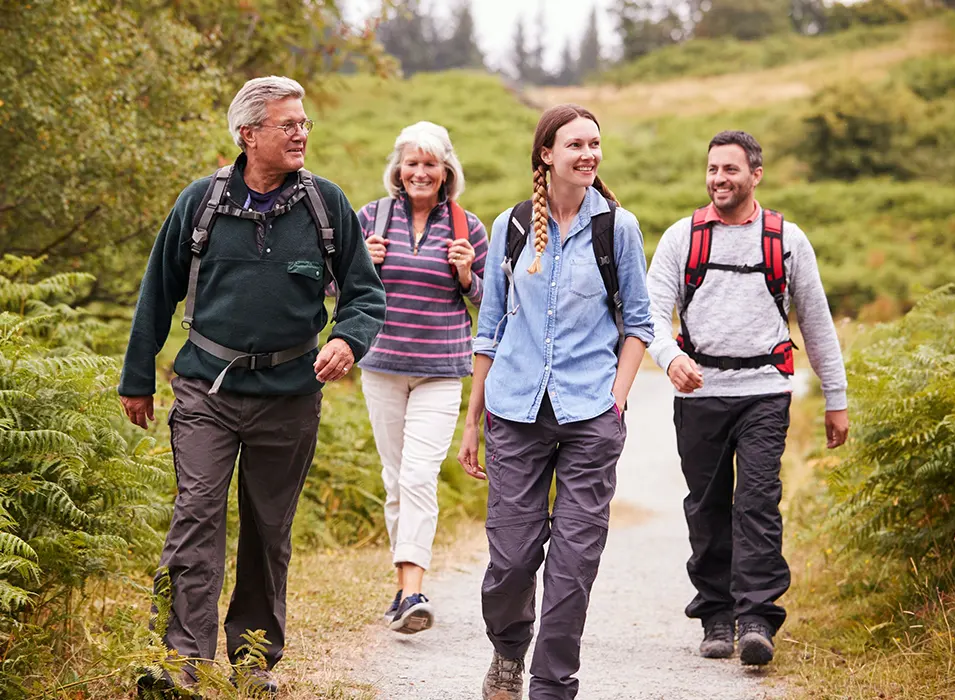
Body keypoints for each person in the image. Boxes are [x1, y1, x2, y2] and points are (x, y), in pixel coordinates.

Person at [117, 76, 386, 697]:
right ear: (249, 134)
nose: (300, 134)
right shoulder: (200, 202)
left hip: (292, 394)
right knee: (196, 515)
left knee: (269, 529)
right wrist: (137, 378)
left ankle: (253, 661)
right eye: (287, 124)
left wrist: (348, 338)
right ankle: (181, 658)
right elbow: (156, 291)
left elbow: (365, 292)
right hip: (206, 392)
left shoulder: (326, 204)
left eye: (304, 124)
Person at [459, 104, 654, 700]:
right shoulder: (512, 226)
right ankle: (508, 651)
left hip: (591, 415)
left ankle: (551, 684)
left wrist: (616, 402)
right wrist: (473, 419)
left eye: (595, 144)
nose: (589, 154)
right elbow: (489, 325)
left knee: (573, 565)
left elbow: (639, 324)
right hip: (514, 414)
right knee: (512, 559)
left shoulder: (616, 227)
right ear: (547, 154)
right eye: (576, 145)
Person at [645, 130, 849, 666]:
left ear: (755, 175)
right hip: (700, 393)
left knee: (757, 502)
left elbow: (817, 323)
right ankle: (716, 615)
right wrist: (671, 358)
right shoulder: (681, 238)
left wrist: (836, 397)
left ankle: (756, 618)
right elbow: (650, 315)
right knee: (707, 507)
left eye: (730, 170)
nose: (719, 179)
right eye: (712, 169)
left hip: (765, 391)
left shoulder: (787, 240)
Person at [356, 121, 488, 634]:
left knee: (417, 476)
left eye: (430, 164)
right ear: (398, 168)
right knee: (395, 481)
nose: (420, 172)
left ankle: (413, 592)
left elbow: (490, 303)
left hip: (440, 370)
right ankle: (402, 590)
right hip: (382, 367)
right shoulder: (372, 217)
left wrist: (466, 274)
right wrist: (361, 265)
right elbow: (331, 287)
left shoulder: (466, 225)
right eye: (412, 162)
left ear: (446, 170)